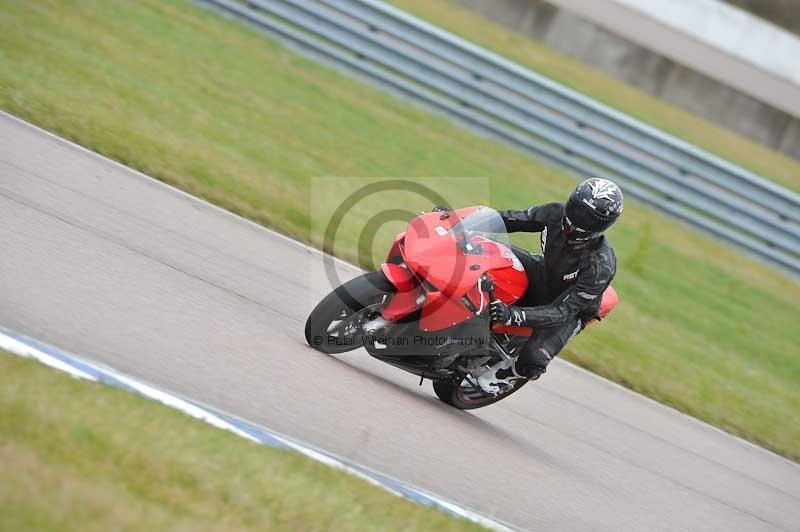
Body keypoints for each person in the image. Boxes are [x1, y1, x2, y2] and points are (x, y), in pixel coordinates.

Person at [476, 177, 623, 394]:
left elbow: (562, 311)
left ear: (603, 223)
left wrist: (513, 315)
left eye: (589, 217)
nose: (577, 218)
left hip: (569, 308)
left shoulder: (600, 265)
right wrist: (460, 222)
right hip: (544, 273)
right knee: (485, 250)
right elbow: (511, 219)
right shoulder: (555, 213)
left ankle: (509, 373)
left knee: (533, 359)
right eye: (577, 208)